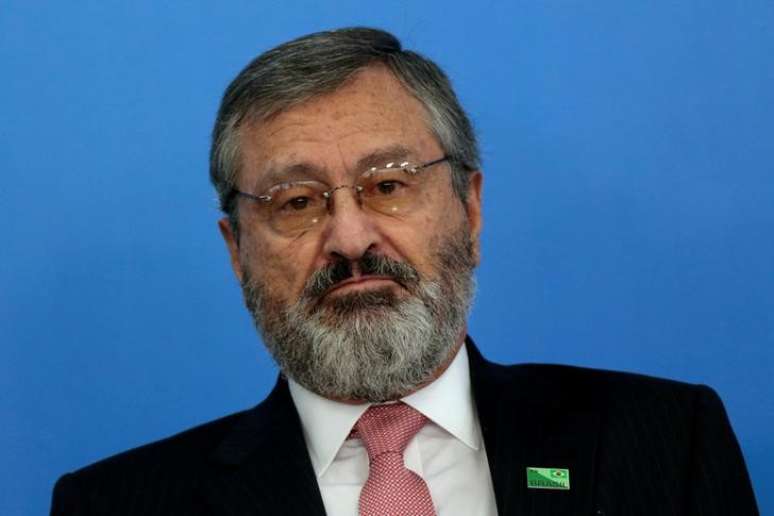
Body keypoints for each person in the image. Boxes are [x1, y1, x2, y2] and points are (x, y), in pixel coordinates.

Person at [50, 27, 758, 516]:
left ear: (470, 210)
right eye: (296, 202)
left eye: (388, 185)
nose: (351, 237)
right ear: (236, 252)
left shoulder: (666, 442)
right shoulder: (117, 503)